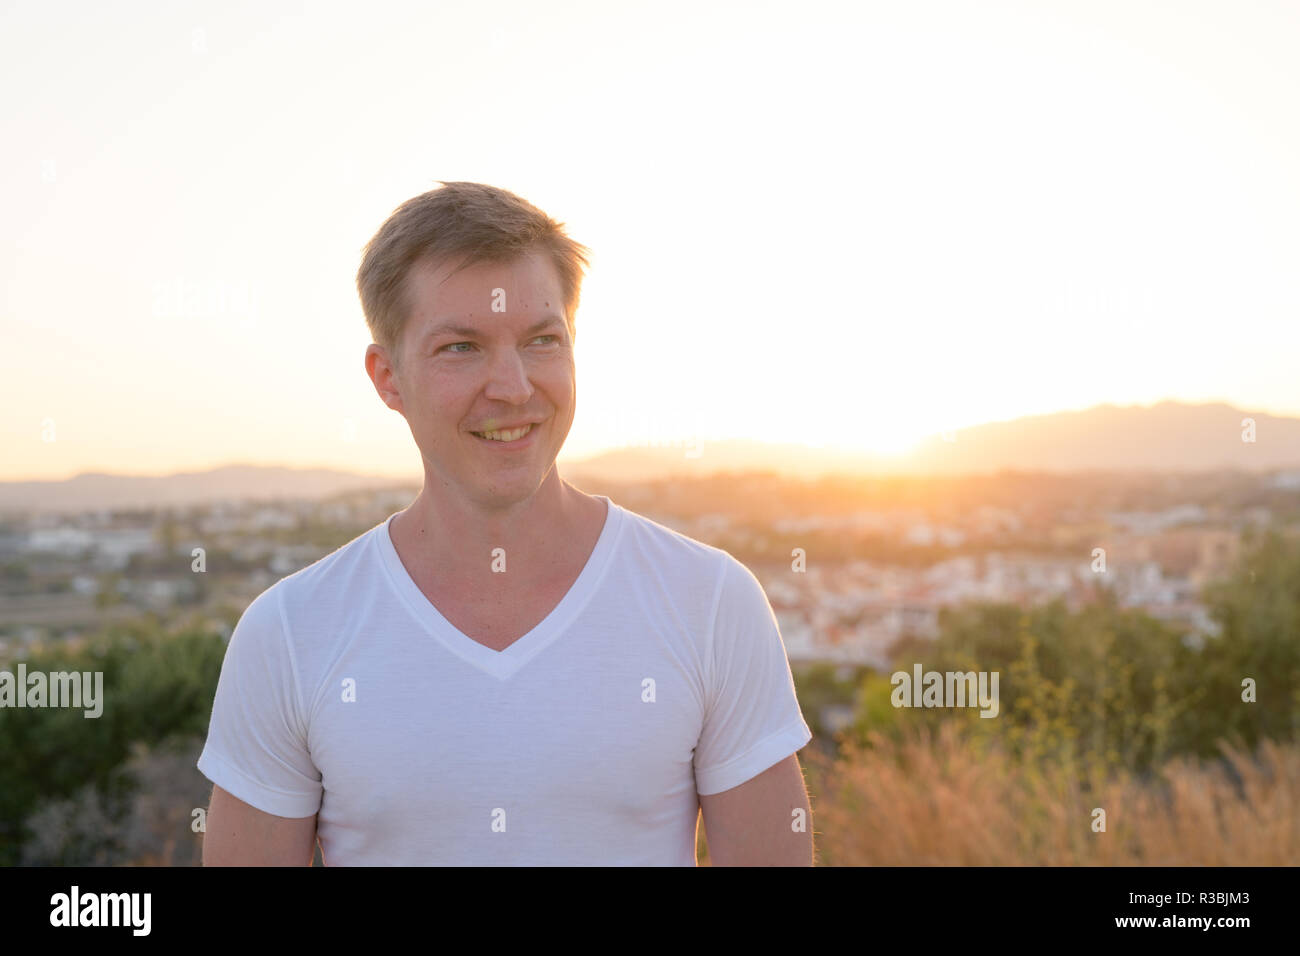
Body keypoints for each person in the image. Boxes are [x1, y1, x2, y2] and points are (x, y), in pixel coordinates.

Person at [197, 181, 814, 865]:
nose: (513, 386)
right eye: (461, 348)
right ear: (387, 377)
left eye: (541, 340)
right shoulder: (289, 632)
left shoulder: (710, 602)